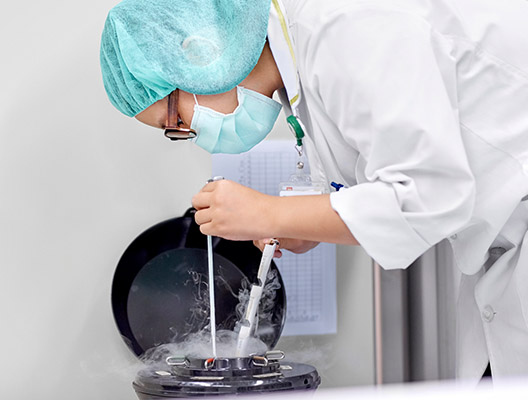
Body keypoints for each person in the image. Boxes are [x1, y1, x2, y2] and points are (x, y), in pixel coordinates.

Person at [100, 0, 528, 383]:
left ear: (199, 52)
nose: (187, 133)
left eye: (173, 118)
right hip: (502, 258)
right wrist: (306, 224)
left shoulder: (345, 26)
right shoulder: (299, 70)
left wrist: (270, 214)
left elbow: (430, 196)